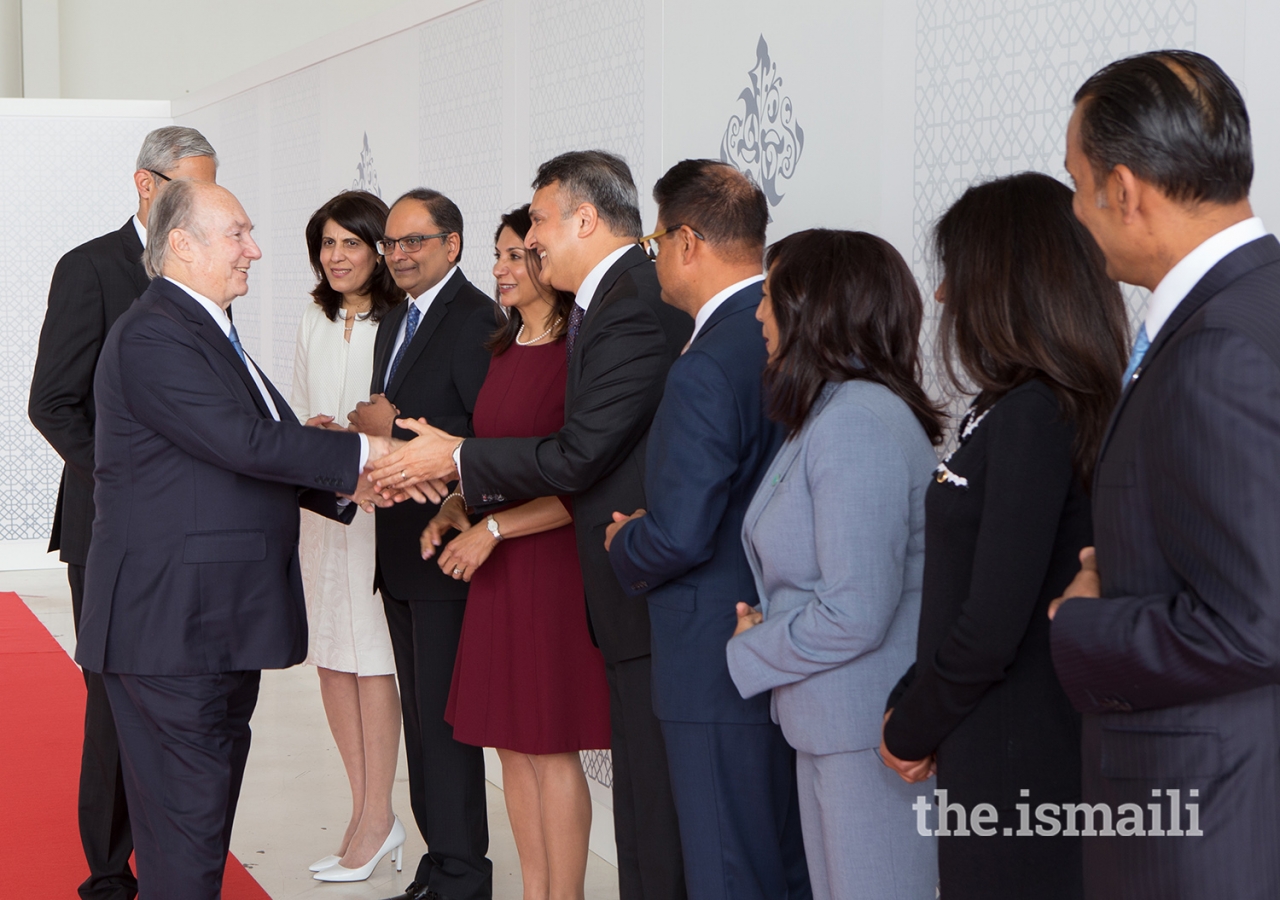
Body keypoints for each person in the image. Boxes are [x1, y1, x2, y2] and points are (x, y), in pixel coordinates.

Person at [367, 150, 693, 900]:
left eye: (535, 228)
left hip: (593, 568)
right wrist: (457, 489)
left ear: (584, 218)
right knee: (524, 754)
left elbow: (578, 458)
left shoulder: (630, 308)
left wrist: (459, 464)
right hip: (543, 570)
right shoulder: (561, 324)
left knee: (621, 792)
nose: (526, 250)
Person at [73, 179, 394, 900]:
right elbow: (238, 441)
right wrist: (367, 462)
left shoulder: (204, 326)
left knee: (197, 826)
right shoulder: (157, 330)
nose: (254, 249)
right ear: (181, 245)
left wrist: (341, 476)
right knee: (186, 835)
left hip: (206, 624)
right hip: (171, 629)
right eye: (238, 234)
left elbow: (249, 448)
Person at [1049, 50, 1280, 899]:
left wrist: (1083, 621)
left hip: (1203, 819)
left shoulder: (1217, 348)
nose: (1076, 211)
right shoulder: (1253, 306)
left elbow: (1258, 622)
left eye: (1076, 185)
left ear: (1122, 189)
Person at [878, 172, 1128, 899]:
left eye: (956, 272)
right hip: (990, 737)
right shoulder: (1011, 408)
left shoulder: (1035, 417)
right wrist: (913, 696)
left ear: (1006, 279)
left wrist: (908, 727)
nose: (945, 296)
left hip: (1020, 755)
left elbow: (991, 622)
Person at [604, 160, 810, 900]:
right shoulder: (784, 334)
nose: (656, 258)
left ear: (688, 242)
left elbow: (684, 534)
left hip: (710, 649)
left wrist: (626, 539)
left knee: (726, 861)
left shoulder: (708, 362)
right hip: (783, 630)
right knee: (780, 855)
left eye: (657, 242)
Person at [27, 125, 217, 900]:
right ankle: (109, 874)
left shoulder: (205, 267)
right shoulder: (90, 268)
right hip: (110, 527)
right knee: (115, 699)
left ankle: (178, 851)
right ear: (147, 186)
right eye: (191, 186)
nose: (206, 202)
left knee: (189, 695)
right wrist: (123, 478)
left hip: (200, 531)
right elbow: (52, 403)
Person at [726, 229, 942, 900]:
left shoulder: (858, 420)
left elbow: (857, 609)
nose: (758, 314)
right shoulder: (829, 412)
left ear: (812, 310)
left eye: (768, 297)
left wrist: (752, 647)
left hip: (865, 729)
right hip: (834, 721)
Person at [419, 205, 611, 900]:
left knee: (550, 747)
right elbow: (489, 462)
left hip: (548, 568)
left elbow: (578, 486)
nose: (499, 268)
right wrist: (454, 507)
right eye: (497, 255)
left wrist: (492, 530)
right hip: (493, 567)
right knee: (509, 745)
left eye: (514, 254)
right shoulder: (503, 348)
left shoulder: (576, 355)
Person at [350, 188, 496, 900]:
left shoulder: (476, 321)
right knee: (420, 721)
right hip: (398, 549)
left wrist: (400, 429)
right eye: (392, 243)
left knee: (445, 725)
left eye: (415, 241)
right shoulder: (393, 321)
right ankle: (440, 862)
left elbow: (483, 437)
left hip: (448, 551)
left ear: (452, 245)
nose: (399, 255)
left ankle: (465, 873)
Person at [290, 190, 407, 881]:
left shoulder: (396, 322)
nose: (336, 256)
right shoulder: (312, 317)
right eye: (326, 245)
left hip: (378, 505)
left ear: (378, 250)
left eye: (349, 243)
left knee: (373, 660)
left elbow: (405, 422)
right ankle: (365, 810)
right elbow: (305, 404)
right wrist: (319, 433)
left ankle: (377, 816)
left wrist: (362, 445)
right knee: (333, 658)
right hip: (323, 509)